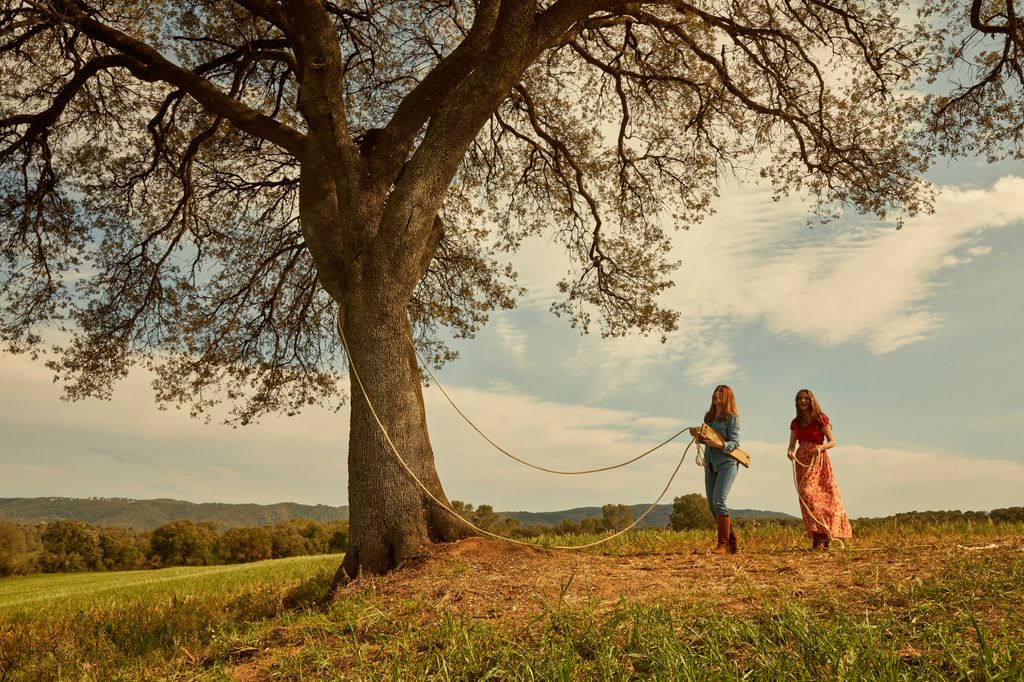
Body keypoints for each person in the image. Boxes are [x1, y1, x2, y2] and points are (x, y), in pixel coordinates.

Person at [787, 388, 852, 550]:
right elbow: (791, 445)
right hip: (802, 459)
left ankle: (823, 535)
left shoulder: (819, 419)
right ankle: (817, 536)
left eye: (806, 398)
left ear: (811, 400)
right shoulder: (796, 422)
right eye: (800, 399)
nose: (803, 401)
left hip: (818, 459)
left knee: (811, 493)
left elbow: (832, 441)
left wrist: (820, 448)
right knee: (805, 495)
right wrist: (790, 452)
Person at [689, 385, 741, 554]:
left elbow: (734, 443)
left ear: (727, 398)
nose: (716, 395)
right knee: (712, 506)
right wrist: (697, 436)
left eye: (721, 393)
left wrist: (720, 445)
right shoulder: (709, 418)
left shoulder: (732, 418)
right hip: (710, 464)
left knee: (719, 501)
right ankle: (732, 540)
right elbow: (706, 439)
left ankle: (723, 544)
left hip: (727, 463)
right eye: (715, 392)